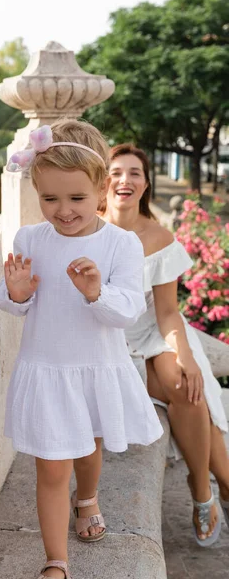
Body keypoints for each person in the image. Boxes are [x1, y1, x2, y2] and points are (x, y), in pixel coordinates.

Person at [0, 120, 164, 579]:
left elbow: (127, 311)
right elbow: (14, 307)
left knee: (89, 448)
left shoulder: (121, 244)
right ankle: (56, 561)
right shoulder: (30, 239)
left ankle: (86, 497)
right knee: (51, 468)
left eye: (76, 199)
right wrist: (16, 292)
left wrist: (95, 292)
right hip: (48, 367)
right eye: (50, 199)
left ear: (101, 188)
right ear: (36, 191)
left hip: (95, 367)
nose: (63, 211)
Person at [101, 143, 229, 547]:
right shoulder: (88, 226)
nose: (125, 180)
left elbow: (169, 314)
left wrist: (188, 357)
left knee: (186, 385)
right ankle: (219, 482)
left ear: (146, 183)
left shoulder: (157, 236)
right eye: (116, 171)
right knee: (190, 401)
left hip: (156, 330)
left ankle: (200, 490)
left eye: (134, 172)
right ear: (102, 179)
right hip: (111, 339)